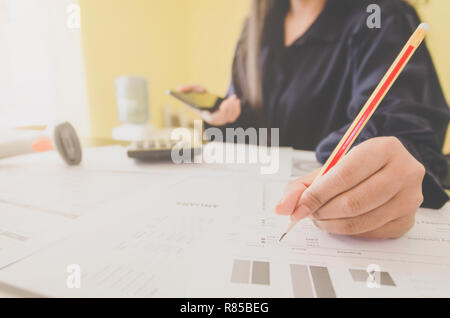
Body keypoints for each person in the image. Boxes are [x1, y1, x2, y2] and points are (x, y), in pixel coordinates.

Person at [178, 0, 450, 239]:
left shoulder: (378, 14)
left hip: (342, 217)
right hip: (255, 199)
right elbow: (261, 130)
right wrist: (224, 121)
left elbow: (404, 130)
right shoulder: (256, 29)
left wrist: (385, 166)